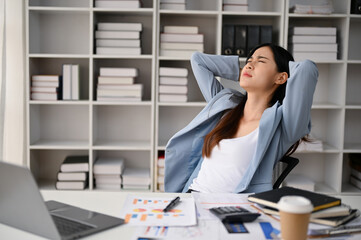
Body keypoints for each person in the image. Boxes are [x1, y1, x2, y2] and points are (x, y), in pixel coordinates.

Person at [164, 43, 318, 193]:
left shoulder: (283, 124)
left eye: (261, 61)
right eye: (249, 61)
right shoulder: (225, 106)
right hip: (192, 196)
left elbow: (307, 69)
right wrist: (244, 73)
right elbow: (198, 60)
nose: (250, 65)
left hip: (232, 209)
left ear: (281, 77)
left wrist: (253, 73)